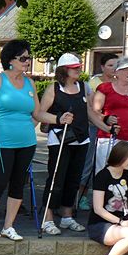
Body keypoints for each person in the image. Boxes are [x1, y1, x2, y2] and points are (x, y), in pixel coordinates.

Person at [0, 39, 73, 243]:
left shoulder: (30, 83)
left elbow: (38, 113)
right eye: (23, 58)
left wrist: (59, 119)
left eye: (28, 58)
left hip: (27, 141)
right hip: (3, 141)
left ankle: (8, 226)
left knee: (17, 184)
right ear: (11, 60)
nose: (28, 61)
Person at [38, 53, 103, 235]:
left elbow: (90, 112)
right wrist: (59, 119)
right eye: (74, 67)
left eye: (79, 67)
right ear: (64, 70)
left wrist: (106, 126)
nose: (78, 70)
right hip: (60, 139)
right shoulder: (54, 88)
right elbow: (40, 113)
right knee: (56, 179)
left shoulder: (83, 87)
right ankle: (48, 218)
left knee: (74, 179)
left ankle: (67, 216)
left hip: (81, 139)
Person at [78, 53, 118, 210]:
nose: (114, 68)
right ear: (102, 67)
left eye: (116, 65)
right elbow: (91, 108)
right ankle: (81, 196)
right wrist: (104, 119)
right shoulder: (94, 83)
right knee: (89, 163)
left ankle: (107, 196)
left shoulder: (119, 83)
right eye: (110, 65)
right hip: (94, 127)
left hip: (113, 129)